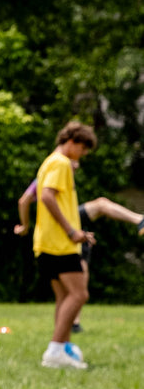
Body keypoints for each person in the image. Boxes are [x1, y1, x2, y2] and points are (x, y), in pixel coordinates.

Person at [14, 163, 142, 333]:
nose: (77, 164)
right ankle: (139, 219)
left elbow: (25, 201)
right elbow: (25, 200)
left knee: (79, 271)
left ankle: (71, 325)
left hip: (66, 227)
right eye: (74, 160)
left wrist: (25, 226)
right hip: (62, 224)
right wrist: (25, 227)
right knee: (100, 204)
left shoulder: (59, 171)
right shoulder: (53, 171)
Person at [28, 121, 97, 369]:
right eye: (83, 149)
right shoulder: (60, 163)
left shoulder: (48, 161)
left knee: (64, 296)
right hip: (60, 242)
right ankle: (55, 350)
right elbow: (46, 196)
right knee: (79, 294)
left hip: (45, 241)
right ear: (72, 142)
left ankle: (63, 349)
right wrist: (71, 231)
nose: (83, 154)